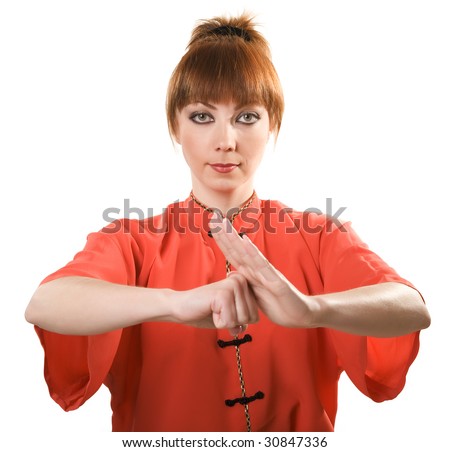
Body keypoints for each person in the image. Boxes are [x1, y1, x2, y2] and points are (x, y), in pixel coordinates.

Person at [25, 14, 431, 432]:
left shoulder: (319, 236)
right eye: (202, 116)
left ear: (272, 124)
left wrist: (313, 310)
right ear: (174, 127)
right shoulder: (133, 240)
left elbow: (412, 307)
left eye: (247, 117)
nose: (226, 141)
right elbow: (45, 303)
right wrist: (175, 304)